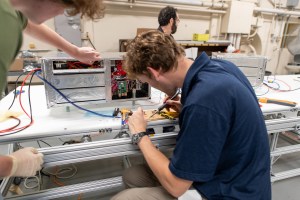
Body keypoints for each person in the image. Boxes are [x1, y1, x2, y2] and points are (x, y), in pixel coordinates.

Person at [111, 30, 271, 200]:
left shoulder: (203, 100)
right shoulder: (221, 67)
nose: (151, 85)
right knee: (133, 175)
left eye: (147, 81)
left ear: (155, 72)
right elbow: (221, 114)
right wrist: (189, 109)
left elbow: (176, 187)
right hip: (236, 175)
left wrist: (140, 134)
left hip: (232, 192)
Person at [0, 0, 105, 178]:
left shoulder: (9, 10)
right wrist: (12, 165)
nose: (59, 15)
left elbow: (29, 23)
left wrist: (75, 52)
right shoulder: (5, 26)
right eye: (63, 7)